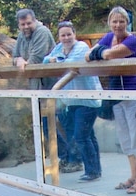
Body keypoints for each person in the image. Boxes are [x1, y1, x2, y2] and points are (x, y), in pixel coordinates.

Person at [87, 6, 136, 194]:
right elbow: (89, 56)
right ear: (109, 23)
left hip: (135, 94)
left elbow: (109, 54)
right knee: (125, 137)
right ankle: (132, 176)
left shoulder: (133, 41)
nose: (118, 25)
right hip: (117, 96)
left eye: (121, 21)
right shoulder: (108, 37)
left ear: (127, 23)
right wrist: (101, 52)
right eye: (114, 21)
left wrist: (102, 52)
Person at [42, 21, 103, 182]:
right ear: (59, 37)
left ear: (74, 34)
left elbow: (71, 64)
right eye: (63, 35)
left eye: (69, 34)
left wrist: (57, 61)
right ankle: (95, 169)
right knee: (88, 135)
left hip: (87, 99)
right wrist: (52, 60)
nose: (66, 38)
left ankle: (92, 171)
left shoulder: (81, 47)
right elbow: (45, 61)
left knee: (81, 136)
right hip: (70, 101)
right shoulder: (58, 48)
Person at [12, 9, 55, 90]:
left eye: (28, 23)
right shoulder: (21, 35)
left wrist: (23, 63)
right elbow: (15, 56)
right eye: (23, 24)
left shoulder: (42, 32)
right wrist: (18, 60)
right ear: (19, 25)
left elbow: (36, 59)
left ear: (35, 21)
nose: (26, 27)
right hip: (34, 81)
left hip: (50, 82)